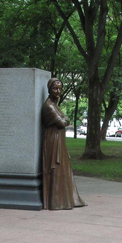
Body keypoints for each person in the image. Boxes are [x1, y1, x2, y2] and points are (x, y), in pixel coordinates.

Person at [41, 78, 86, 210]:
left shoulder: (55, 105)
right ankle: (55, 201)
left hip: (59, 139)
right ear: (49, 89)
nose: (58, 91)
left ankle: (64, 199)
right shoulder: (49, 106)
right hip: (53, 139)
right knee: (55, 167)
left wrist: (65, 119)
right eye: (55, 88)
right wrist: (65, 119)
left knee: (63, 168)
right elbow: (63, 122)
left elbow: (66, 120)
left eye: (60, 88)